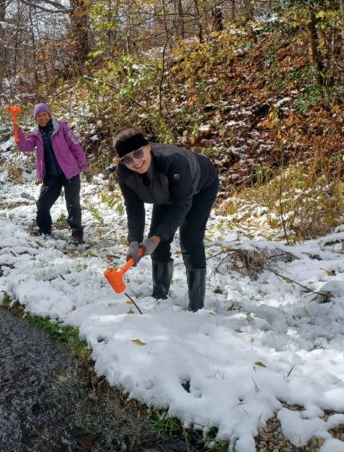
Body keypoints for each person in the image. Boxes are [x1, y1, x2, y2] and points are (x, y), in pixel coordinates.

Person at [113, 128, 219, 311]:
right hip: (164, 192)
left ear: (148, 148)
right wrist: (134, 240)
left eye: (138, 153)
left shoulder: (173, 160)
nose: (135, 162)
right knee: (158, 239)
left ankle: (196, 304)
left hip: (201, 187)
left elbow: (182, 204)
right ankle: (160, 295)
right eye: (127, 159)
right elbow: (134, 207)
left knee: (190, 239)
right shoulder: (125, 173)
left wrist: (155, 238)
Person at [15, 102, 91, 244]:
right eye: (39, 115)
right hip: (51, 175)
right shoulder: (35, 134)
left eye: (44, 114)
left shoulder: (62, 128)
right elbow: (25, 147)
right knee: (42, 203)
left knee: (73, 203)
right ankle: (44, 229)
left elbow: (76, 146)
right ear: (35, 118)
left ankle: (77, 234)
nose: (42, 118)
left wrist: (84, 166)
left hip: (70, 172)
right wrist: (17, 131)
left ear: (49, 115)